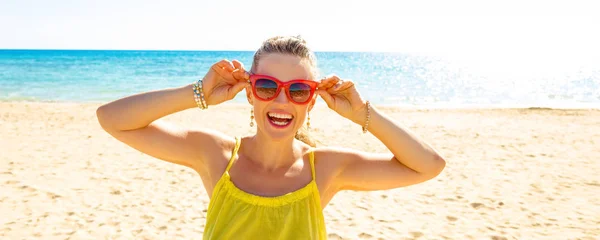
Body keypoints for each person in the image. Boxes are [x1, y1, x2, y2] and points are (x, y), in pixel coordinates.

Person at [96, 36, 446, 239]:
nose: (281, 101)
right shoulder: (216, 155)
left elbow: (429, 165)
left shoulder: (324, 168)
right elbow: (111, 119)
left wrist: (361, 114)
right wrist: (199, 92)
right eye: (266, 86)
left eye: (297, 90)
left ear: (312, 99)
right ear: (249, 93)